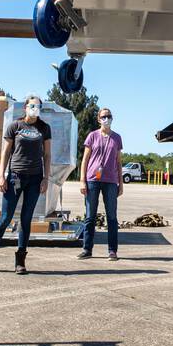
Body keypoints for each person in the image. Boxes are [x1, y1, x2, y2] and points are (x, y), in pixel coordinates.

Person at [0, 95, 51, 275]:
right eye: (32, 105)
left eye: (38, 106)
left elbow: (47, 155)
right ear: (25, 107)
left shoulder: (44, 128)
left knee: (26, 220)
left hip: (35, 178)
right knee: (5, 218)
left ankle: (20, 261)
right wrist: (1, 176)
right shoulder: (15, 126)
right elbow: (5, 152)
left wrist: (45, 178)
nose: (35, 108)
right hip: (15, 177)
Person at [76, 107, 122, 260]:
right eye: (103, 116)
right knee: (90, 216)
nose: (106, 119)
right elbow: (85, 160)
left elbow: (119, 162)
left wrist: (120, 184)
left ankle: (112, 251)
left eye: (109, 116)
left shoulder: (117, 138)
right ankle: (87, 249)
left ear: (112, 118)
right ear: (98, 119)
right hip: (92, 180)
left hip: (110, 181)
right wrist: (82, 181)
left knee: (112, 217)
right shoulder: (92, 136)